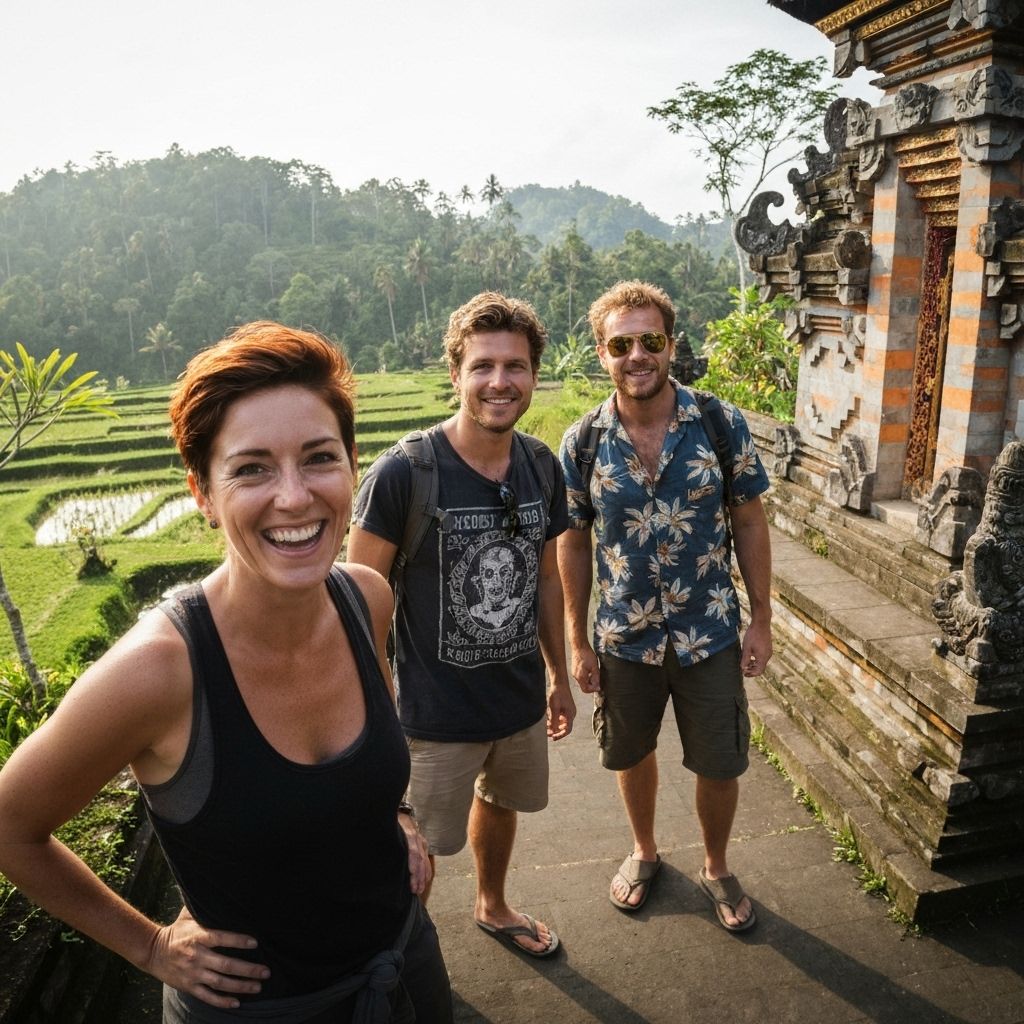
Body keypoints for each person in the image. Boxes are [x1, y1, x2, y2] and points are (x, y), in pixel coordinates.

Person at [0, 322, 453, 1023]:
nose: (295, 497)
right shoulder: (160, 669)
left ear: (352, 465)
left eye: (319, 458)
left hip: (403, 969)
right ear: (203, 492)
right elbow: (10, 825)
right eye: (251, 469)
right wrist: (149, 945)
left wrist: (397, 812)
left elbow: (377, 734)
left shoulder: (366, 597)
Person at [348, 292, 575, 958]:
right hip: (429, 715)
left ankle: (492, 904)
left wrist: (559, 673)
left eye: (515, 366)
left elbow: (548, 577)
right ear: (456, 374)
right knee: (411, 845)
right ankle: (396, 956)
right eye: (482, 366)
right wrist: (374, 712)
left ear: (535, 374)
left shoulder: (541, 467)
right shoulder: (404, 474)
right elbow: (360, 603)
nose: (499, 381)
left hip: (517, 700)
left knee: (501, 803)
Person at [557, 281, 773, 932]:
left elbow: (750, 521)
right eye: (621, 344)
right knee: (629, 752)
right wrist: (576, 638)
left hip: (709, 631)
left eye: (650, 340)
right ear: (602, 353)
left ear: (671, 345)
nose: (637, 355)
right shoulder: (584, 441)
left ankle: (714, 864)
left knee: (719, 758)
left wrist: (761, 618)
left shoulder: (718, 422)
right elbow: (573, 539)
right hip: (625, 637)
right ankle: (645, 851)